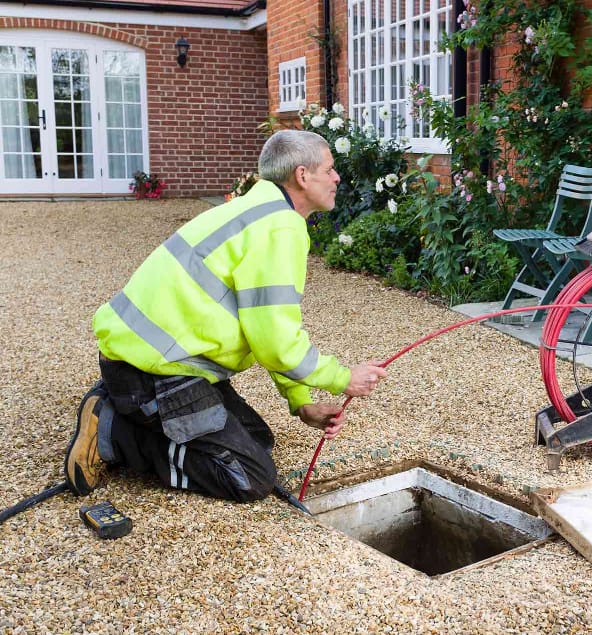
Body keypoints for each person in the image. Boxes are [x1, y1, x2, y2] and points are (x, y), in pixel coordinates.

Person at [64, 130, 387, 502]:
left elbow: (265, 327)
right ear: (302, 176)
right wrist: (343, 379)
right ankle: (115, 429)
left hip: (155, 362)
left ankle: (121, 406)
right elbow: (276, 343)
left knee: (258, 441)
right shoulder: (280, 227)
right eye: (330, 170)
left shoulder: (257, 211)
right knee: (248, 477)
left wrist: (301, 401)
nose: (337, 178)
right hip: (152, 373)